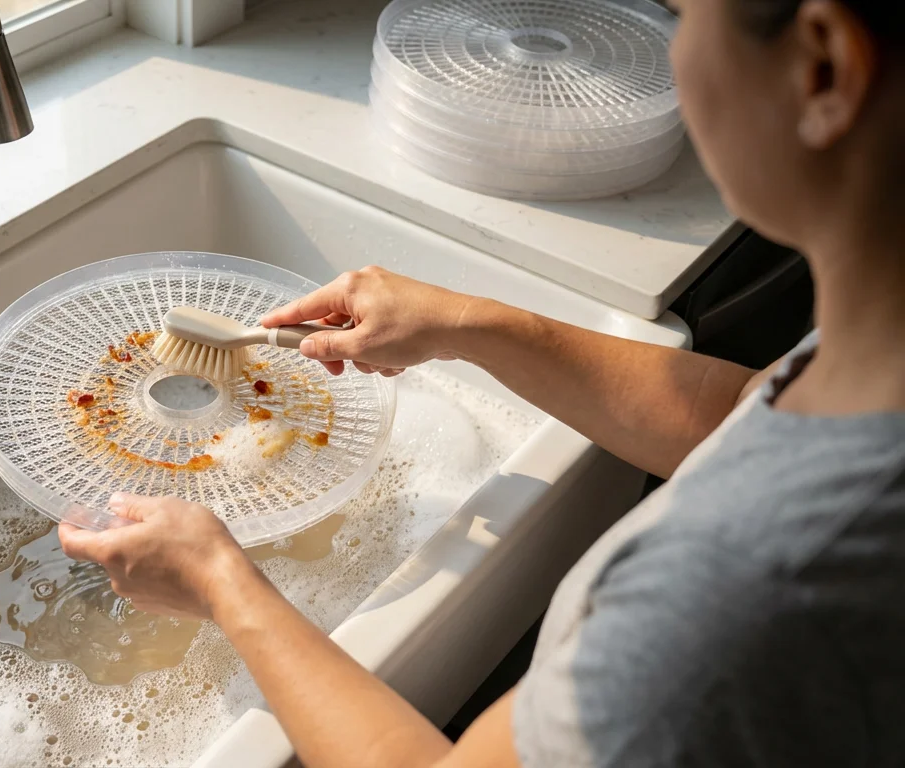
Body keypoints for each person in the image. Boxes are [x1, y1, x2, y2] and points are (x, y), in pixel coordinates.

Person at [59, 0, 905, 764]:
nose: (676, 58)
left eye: (685, 13)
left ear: (822, 68)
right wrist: (471, 323)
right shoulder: (874, 362)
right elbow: (740, 418)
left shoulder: (731, 606)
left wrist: (222, 584)